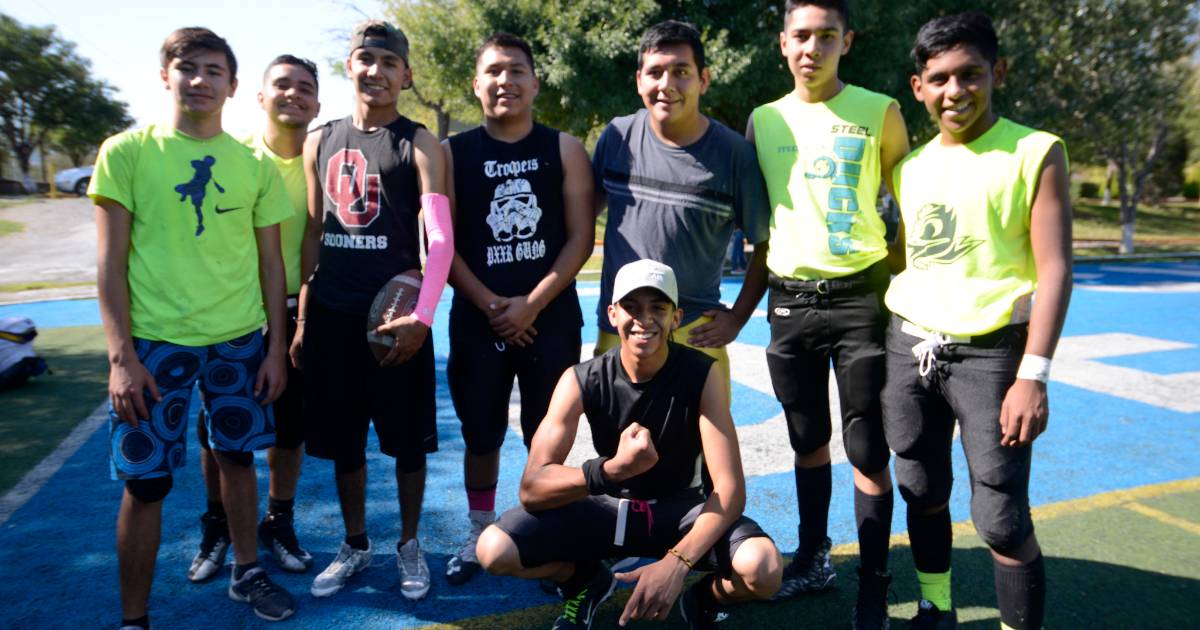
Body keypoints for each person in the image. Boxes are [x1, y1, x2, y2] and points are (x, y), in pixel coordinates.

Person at [91, 27, 296, 626]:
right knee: (146, 484)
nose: (200, 79)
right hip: (154, 345)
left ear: (233, 86)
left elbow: (271, 264)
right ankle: (135, 618)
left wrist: (275, 350)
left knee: (237, 457)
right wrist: (120, 358)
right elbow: (108, 264)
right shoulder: (125, 152)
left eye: (213, 70)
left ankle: (247, 573)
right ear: (166, 77)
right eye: (188, 68)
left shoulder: (254, 164)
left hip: (238, 341)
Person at [883, 12, 1071, 629]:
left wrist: (1033, 375)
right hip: (909, 346)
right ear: (919, 87)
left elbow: (1055, 270)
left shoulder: (1035, 151)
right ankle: (936, 607)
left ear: (998, 72)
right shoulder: (909, 168)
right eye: (939, 78)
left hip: (992, 355)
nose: (955, 90)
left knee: (1000, 516)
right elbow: (912, 260)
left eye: (970, 74)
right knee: (920, 488)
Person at [476, 260, 782, 630]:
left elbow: (730, 491)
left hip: (679, 510)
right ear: (612, 313)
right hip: (605, 508)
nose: (644, 320)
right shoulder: (580, 379)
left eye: (658, 308)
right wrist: (613, 470)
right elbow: (532, 488)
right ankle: (584, 580)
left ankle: (702, 599)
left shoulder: (702, 374)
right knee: (494, 550)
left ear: (676, 318)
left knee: (763, 569)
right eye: (632, 307)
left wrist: (677, 564)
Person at [745, 2, 911, 625]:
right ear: (783, 44)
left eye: (826, 36)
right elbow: (757, 225)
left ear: (847, 41)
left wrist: (897, 280)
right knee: (807, 440)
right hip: (790, 301)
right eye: (801, 36)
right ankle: (814, 561)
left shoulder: (881, 111)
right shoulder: (762, 120)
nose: (812, 48)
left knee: (867, 447)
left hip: (861, 301)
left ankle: (873, 586)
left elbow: (912, 206)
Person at [290, 19, 452, 601]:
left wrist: (423, 317)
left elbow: (441, 239)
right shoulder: (319, 140)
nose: (375, 71)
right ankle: (355, 544)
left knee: (408, 444)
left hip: (395, 321)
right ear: (349, 66)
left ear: (405, 74)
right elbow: (314, 233)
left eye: (388, 62)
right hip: (331, 317)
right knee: (344, 444)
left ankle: (409, 544)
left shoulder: (420, 143)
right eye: (365, 59)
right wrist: (303, 319)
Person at [442, 33, 594, 586]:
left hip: (549, 317)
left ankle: (548, 532)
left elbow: (580, 238)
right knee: (480, 433)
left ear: (535, 82)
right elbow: (441, 244)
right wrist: (493, 306)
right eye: (493, 71)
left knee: (545, 433)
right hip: (477, 317)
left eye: (516, 70)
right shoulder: (451, 153)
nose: (505, 80)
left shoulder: (564, 148)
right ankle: (479, 529)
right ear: (475, 84)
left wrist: (530, 304)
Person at [187, 54, 321, 583]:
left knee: (290, 428)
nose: (293, 94)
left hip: (298, 311)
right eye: (282, 84)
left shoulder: (324, 159)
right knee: (217, 433)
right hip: (234, 313)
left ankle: (277, 520)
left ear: (317, 104)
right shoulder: (233, 156)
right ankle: (218, 522)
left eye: (305, 87)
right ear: (260, 96)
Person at [592, 20, 771, 391]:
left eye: (681, 72)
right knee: (615, 430)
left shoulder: (734, 154)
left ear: (703, 79)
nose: (666, 84)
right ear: (638, 80)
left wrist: (738, 317)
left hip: (695, 332)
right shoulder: (617, 137)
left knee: (705, 431)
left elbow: (766, 244)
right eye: (655, 72)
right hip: (620, 330)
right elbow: (580, 222)